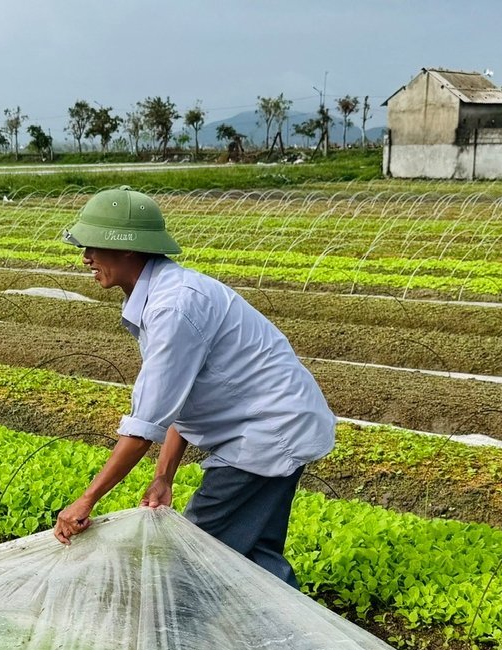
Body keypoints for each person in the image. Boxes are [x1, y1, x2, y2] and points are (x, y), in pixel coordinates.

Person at [51, 188, 335, 586]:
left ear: (129, 249)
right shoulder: (163, 296)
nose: (86, 258)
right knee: (251, 555)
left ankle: (178, 643)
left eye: (93, 246)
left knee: (192, 557)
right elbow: (178, 402)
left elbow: (143, 427)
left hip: (268, 432)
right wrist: (164, 476)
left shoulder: (174, 306)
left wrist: (87, 499)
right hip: (274, 424)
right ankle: (288, 637)